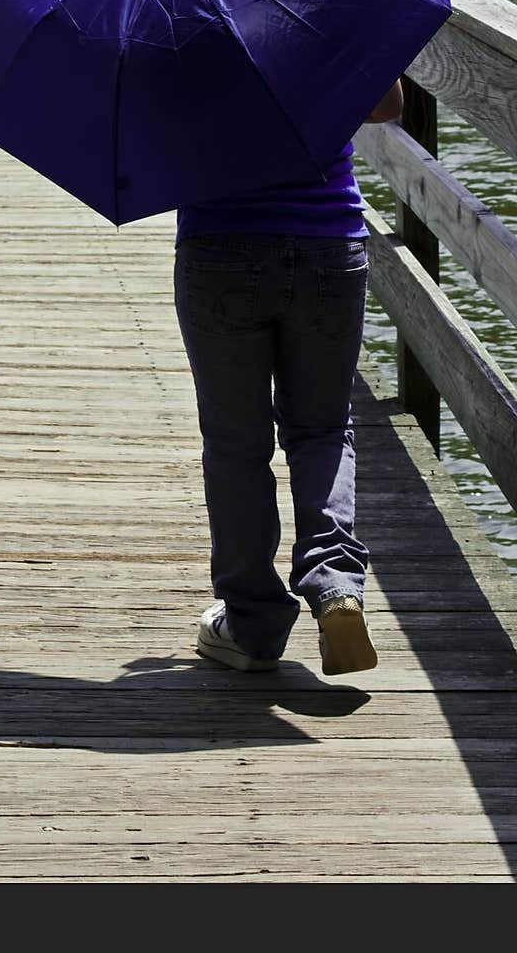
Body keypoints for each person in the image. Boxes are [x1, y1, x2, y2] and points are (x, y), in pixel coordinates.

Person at [174, 78, 404, 676]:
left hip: (219, 242)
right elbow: (387, 105)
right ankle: (336, 586)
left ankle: (251, 626)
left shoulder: (174, 7)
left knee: (235, 444)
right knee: (323, 430)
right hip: (328, 241)